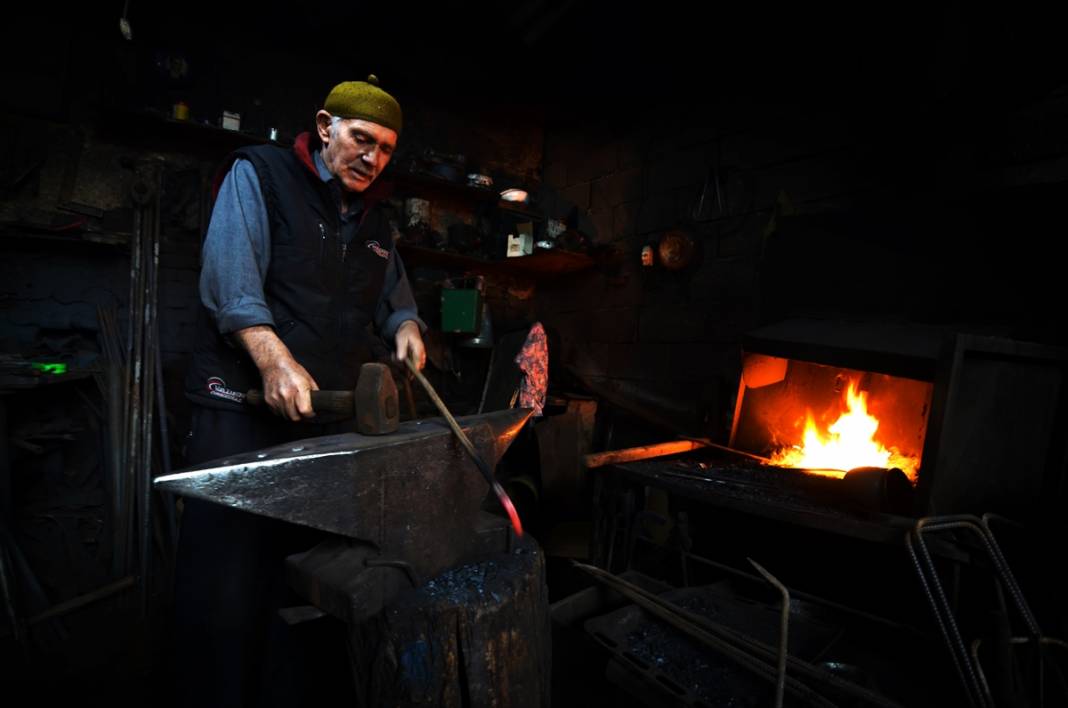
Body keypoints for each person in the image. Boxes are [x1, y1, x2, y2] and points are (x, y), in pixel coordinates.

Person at [172, 76, 425, 707]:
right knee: (226, 584)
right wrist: (273, 359)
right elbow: (230, 283)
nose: (373, 158)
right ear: (324, 126)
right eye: (362, 139)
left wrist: (408, 328)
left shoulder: (376, 221)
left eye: (387, 149)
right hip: (239, 408)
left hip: (318, 425)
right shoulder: (258, 175)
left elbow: (394, 297)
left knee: (299, 579)